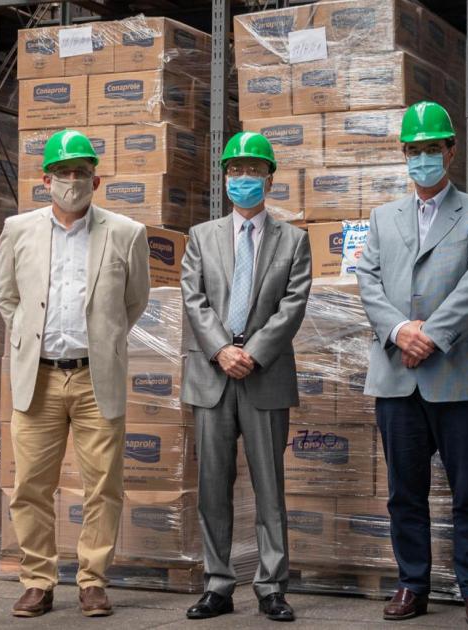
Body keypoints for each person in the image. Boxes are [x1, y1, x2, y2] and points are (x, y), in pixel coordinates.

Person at [355, 101, 468, 627]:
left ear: (451, 151)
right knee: (404, 491)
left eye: (431, 149)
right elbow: (367, 281)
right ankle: (411, 583)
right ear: (404, 155)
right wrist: (399, 331)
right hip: (398, 376)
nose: (422, 159)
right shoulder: (382, 217)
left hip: (461, 375)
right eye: (413, 151)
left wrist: (432, 336)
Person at [0, 129, 150, 618]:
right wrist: (30, 340)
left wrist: (102, 341)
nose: (72, 180)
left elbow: (135, 301)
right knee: (30, 486)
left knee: (102, 484)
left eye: (81, 172)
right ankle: (38, 580)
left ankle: (92, 580)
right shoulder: (18, 229)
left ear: (96, 179)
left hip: (93, 376)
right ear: (45, 179)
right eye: (63, 172)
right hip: (37, 377)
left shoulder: (126, 233)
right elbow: (7, 297)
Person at [180, 131, 312, 623]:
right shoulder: (202, 236)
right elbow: (193, 298)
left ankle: (272, 586)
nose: (243, 178)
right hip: (211, 377)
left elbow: (293, 304)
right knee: (212, 486)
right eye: (235, 170)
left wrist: (251, 353)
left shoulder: (294, 241)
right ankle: (218, 585)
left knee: (269, 487)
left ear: (269, 178)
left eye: (253, 170)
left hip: (265, 375)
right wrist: (221, 350)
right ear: (224, 177)